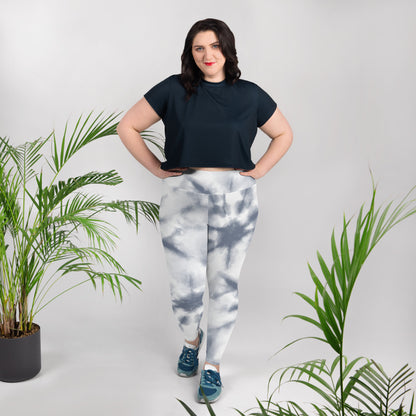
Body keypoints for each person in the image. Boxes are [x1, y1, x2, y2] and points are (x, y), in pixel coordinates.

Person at [117, 18, 293, 403]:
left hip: (235, 200)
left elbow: (284, 133)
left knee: (223, 284)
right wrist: (156, 168)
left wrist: (259, 170)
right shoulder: (173, 89)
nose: (207, 55)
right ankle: (191, 341)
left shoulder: (250, 94)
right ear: (190, 53)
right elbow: (127, 126)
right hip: (183, 196)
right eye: (199, 48)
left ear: (227, 49)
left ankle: (212, 365)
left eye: (214, 46)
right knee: (186, 287)